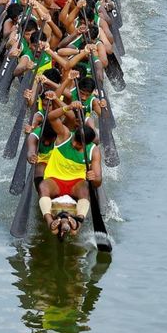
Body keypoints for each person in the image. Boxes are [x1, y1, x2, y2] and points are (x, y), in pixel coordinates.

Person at [38, 101, 102, 236]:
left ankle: (78, 222)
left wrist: (94, 178)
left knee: (86, 187)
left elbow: (98, 181)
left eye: (78, 145)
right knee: (42, 185)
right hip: (54, 181)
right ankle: (50, 221)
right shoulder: (65, 135)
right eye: (75, 140)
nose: (74, 144)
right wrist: (68, 107)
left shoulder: (94, 151)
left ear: (88, 144)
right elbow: (51, 117)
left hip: (76, 185)